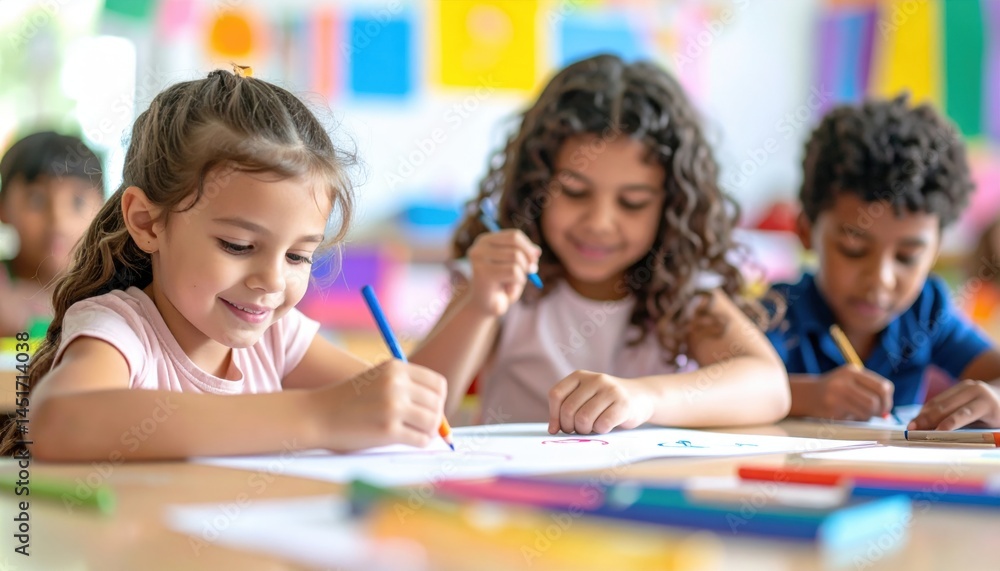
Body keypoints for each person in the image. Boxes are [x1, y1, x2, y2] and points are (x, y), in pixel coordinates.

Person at [1, 68, 446, 460]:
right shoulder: (121, 329)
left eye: (298, 256)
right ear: (148, 223)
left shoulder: (276, 337)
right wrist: (317, 415)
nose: (272, 281)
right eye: (237, 245)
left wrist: (406, 405)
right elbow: (60, 422)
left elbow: (388, 408)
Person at [411, 54, 790, 435]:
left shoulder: (682, 291)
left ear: (671, 206)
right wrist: (479, 302)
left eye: (633, 202)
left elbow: (770, 387)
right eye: (574, 192)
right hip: (518, 491)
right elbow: (414, 407)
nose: (599, 223)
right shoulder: (502, 277)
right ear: (535, 185)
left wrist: (645, 398)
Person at [767, 94, 1000, 430]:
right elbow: (719, 393)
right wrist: (807, 397)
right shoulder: (777, 313)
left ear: (935, 249)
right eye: (853, 250)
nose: (880, 280)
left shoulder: (925, 313)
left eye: (908, 257)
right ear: (806, 232)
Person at [0, 131, 105, 337]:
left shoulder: (112, 290)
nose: (58, 220)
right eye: (36, 200)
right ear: (3, 208)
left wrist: (27, 326)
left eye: (78, 202)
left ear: (103, 209)